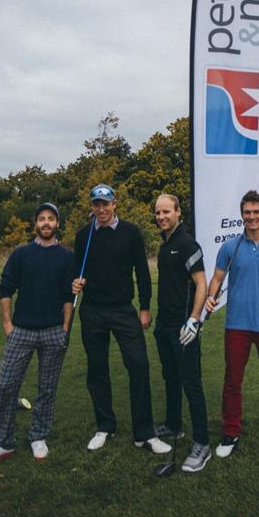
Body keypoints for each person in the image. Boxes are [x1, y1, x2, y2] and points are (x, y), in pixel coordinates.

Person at [72, 184, 170, 455]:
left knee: (138, 364)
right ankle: (105, 426)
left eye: (106, 203)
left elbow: (141, 270)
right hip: (92, 310)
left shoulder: (130, 232)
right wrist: (75, 282)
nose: (101, 209)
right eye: (96, 204)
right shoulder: (84, 235)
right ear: (92, 207)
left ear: (114, 203)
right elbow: (75, 270)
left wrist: (145, 307)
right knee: (97, 368)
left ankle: (144, 432)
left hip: (123, 309)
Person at [0, 203, 73, 467]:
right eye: (41, 218)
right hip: (21, 331)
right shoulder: (21, 254)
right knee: (7, 385)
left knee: (47, 388)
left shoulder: (66, 257)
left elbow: (68, 296)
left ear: (57, 224)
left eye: (51, 219)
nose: (46, 223)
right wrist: (7, 324)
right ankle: (2, 442)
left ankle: (38, 437)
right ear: (35, 224)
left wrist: (65, 327)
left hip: (53, 331)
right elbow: (5, 288)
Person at [205, 190, 259, 460]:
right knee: (232, 381)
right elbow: (217, 279)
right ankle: (230, 432)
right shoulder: (230, 247)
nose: (252, 217)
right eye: (247, 212)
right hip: (237, 324)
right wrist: (211, 296)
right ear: (242, 215)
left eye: (257, 212)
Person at [154, 194, 211, 472]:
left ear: (178, 213)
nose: (162, 216)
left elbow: (202, 283)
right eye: (158, 213)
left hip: (182, 326)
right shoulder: (165, 244)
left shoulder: (187, 243)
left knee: (191, 382)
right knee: (170, 377)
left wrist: (194, 319)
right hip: (164, 325)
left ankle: (202, 442)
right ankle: (174, 424)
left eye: (166, 212)